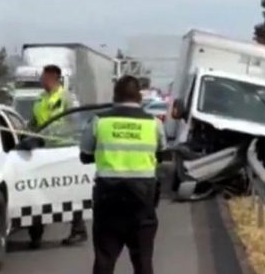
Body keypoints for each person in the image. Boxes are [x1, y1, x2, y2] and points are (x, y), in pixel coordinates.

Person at [80, 75, 166, 274]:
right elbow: (161, 154)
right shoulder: (153, 123)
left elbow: (85, 155)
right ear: (139, 97)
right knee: (143, 260)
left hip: (108, 198)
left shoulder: (99, 121)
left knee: (104, 258)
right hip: (142, 199)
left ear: (115, 95)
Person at [28, 64, 88, 249]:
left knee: (69, 191)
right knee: (39, 192)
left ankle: (78, 230)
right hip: (43, 152)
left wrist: (55, 132)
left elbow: (76, 123)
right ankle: (36, 234)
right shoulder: (39, 99)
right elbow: (34, 122)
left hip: (63, 151)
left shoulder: (67, 98)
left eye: (44, 77)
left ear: (54, 78)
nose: (41, 80)